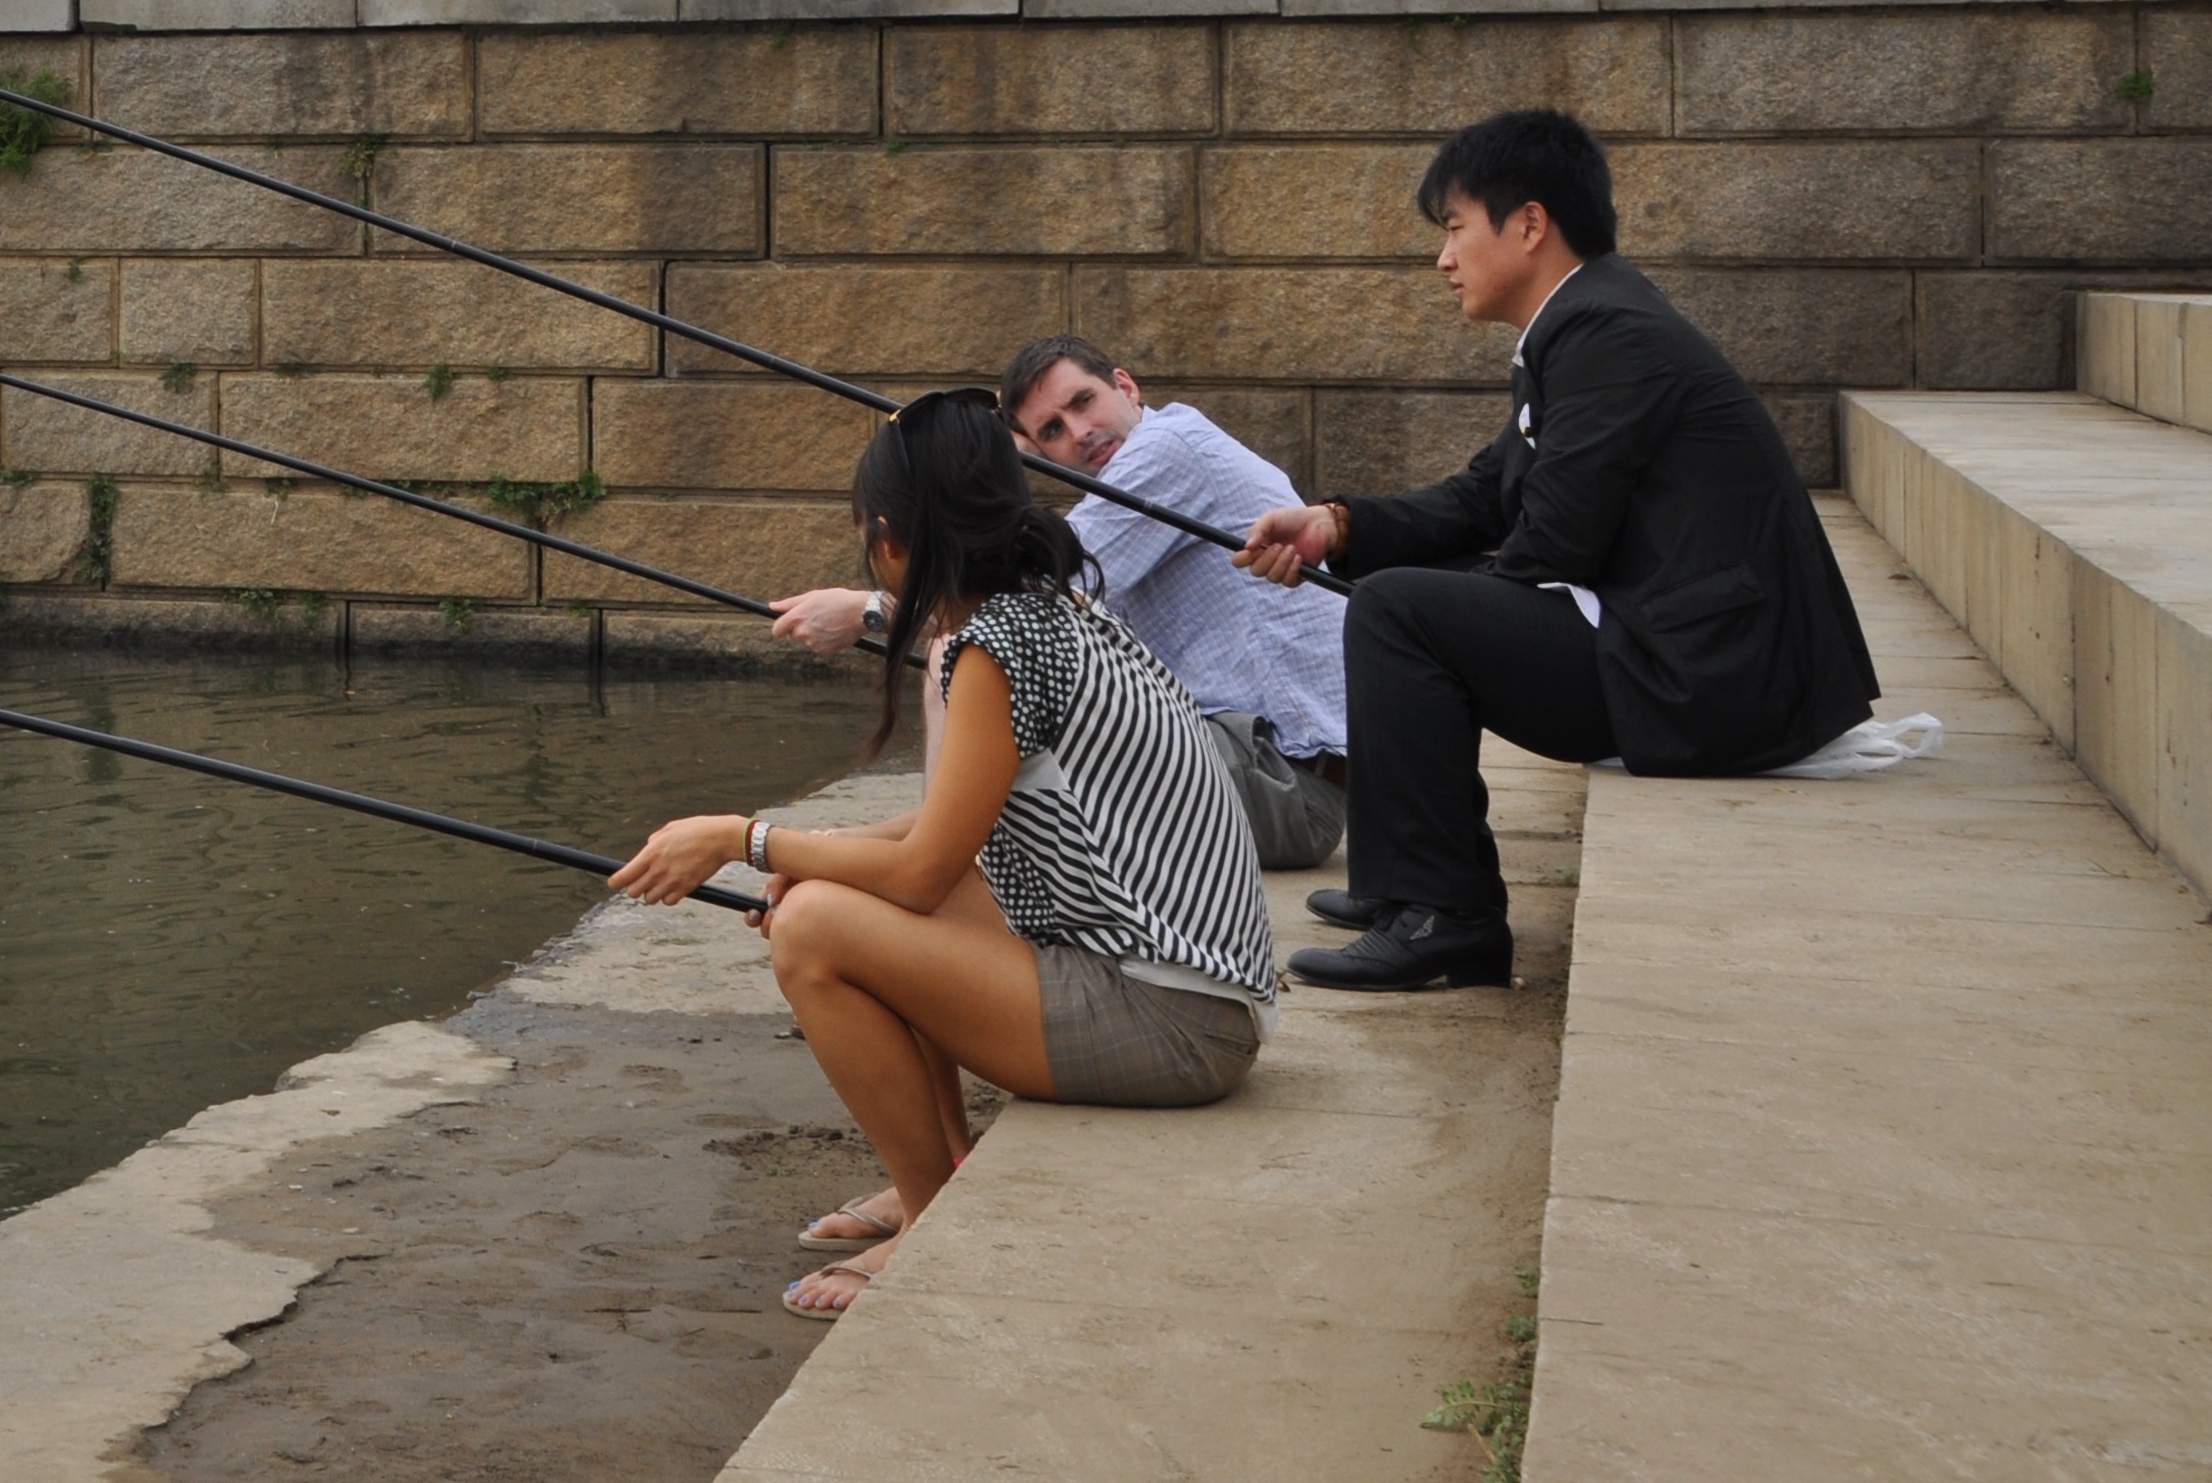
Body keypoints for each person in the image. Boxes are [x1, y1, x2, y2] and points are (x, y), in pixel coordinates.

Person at [616, 392, 1277, 1319]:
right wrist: (809, 849)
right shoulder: (1042, 609)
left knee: (811, 929)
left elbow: (926, 866)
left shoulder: (996, 647)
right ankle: (940, 1164)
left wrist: (741, 838)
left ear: (888, 541)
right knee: (832, 889)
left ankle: (930, 1221)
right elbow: (950, 831)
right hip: (1193, 999)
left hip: (1172, 1026)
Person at [1237, 108, 1882, 991]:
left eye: (1455, 228)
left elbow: (1556, 539)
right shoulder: (1587, 322)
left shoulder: (1607, 334)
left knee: (1401, 611)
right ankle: (1402, 887)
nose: (1444, 258)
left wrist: (1441, 604)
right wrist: (1339, 527)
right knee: (1407, 598)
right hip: (1694, 650)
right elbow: (1484, 496)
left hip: (1714, 677)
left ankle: (1449, 919)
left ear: (1530, 223)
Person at [774, 338, 1351, 868]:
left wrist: (868, 610)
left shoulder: (1168, 450)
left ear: (1126, 387)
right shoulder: (1155, 464)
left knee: (967, 643)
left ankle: (930, 857)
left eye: (1084, 402)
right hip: (1253, 772)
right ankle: (895, 844)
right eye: (1050, 431)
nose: (1079, 432)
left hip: (1288, 793)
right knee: (1003, 694)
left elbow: (1015, 595)